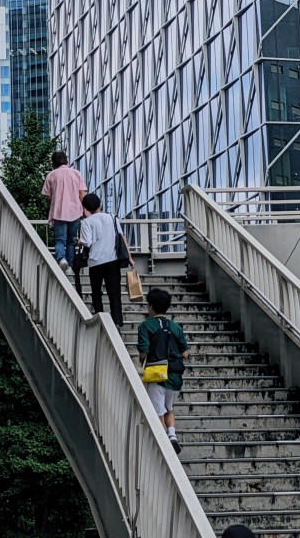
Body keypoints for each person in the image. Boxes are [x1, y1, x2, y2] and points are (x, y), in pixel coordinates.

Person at [138, 287, 190, 454]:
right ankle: (172, 435)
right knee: (169, 408)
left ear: (151, 306)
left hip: (157, 374)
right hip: (175, 376)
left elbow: (143, 351)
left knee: (158, 412)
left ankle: (163, 445)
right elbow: (186, 353)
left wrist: (142, 361)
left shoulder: (146, 326)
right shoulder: (175, 327)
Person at [78, 193, 134, 327]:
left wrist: (78, 241)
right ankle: (117, 322)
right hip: (112, 260)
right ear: (100, 204)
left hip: (95, 262)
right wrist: (130, 257)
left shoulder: (86, 222)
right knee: (114, 293)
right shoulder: (112, 218)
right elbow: (122, 238)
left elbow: (87, 242)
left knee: (96, 293)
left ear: (86, 208)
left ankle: (100, 319)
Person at [41, 151, 87, 270]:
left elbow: (48, 197)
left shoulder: (51, 175)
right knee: (71, 241)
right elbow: (82, 193)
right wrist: (85, 210)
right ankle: (70, 266)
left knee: (60, 240)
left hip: (59, 212)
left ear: (54, 162)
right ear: (66, 160)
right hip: (75, 212)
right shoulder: (76, 173)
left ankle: (61, 259)